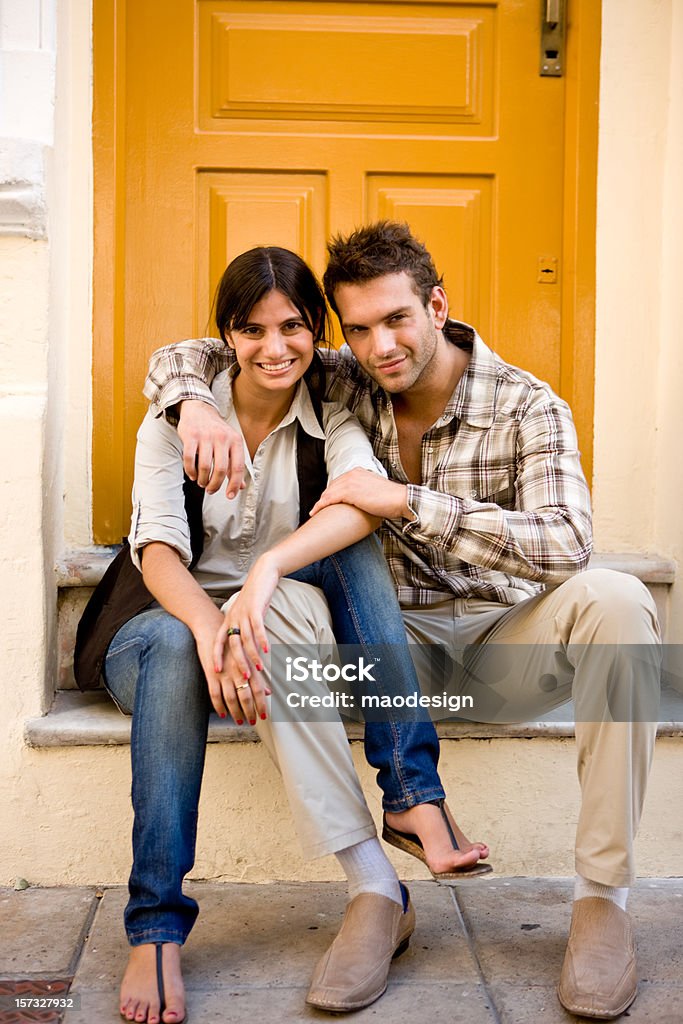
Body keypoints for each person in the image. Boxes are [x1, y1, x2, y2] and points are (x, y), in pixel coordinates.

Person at [144, 222, 663, 1021]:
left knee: (620, 600)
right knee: (270, 605)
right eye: (356, 329)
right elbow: (215, 348)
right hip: (387, 662)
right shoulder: (345, 382)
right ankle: (372, 893)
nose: (378, 345)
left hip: (502, 650)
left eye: (395, 320)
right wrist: (189, 405)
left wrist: (407, 503)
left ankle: (601, 901)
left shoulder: (527, 404)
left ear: (436, 305)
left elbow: (567, 545)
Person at [77, 244, 493, 1024]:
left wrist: (262, 577)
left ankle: (409, 790)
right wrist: (209, 628)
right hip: (160, 632)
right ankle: (156, 927)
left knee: (353, 534)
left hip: (274, 616)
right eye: (252, 329)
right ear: (226, 335)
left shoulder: (333, 414)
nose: (275, 348)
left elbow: (355, 502)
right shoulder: (175, 423)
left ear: (316, 331)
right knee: (172, 647)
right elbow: (158, 552)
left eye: (293, 327)